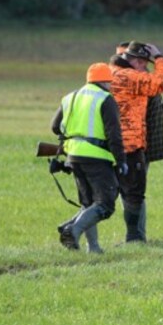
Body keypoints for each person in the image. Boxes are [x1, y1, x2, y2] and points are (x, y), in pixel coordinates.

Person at [52, 63, 127, 253]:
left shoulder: (71, 97)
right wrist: (121, 160)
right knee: (105, 204)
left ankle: (93, 247)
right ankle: (72, 230)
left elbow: (55, 126)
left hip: (73, 156)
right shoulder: (105, 99)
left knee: (88, 203)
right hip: (97, 157)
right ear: (105, 81)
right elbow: (114, 134)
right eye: (110, 81)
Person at [109, 41, 163, 242]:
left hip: (108, 144)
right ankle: (134, 238)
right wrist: (160, 57)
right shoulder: (131, 77)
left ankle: (85, 237)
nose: (146, 68)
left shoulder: (109, 73)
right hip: (130, 145)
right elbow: (161, 83)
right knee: (133, 194)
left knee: (103, 195)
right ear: (136, 61)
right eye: (145, 64)